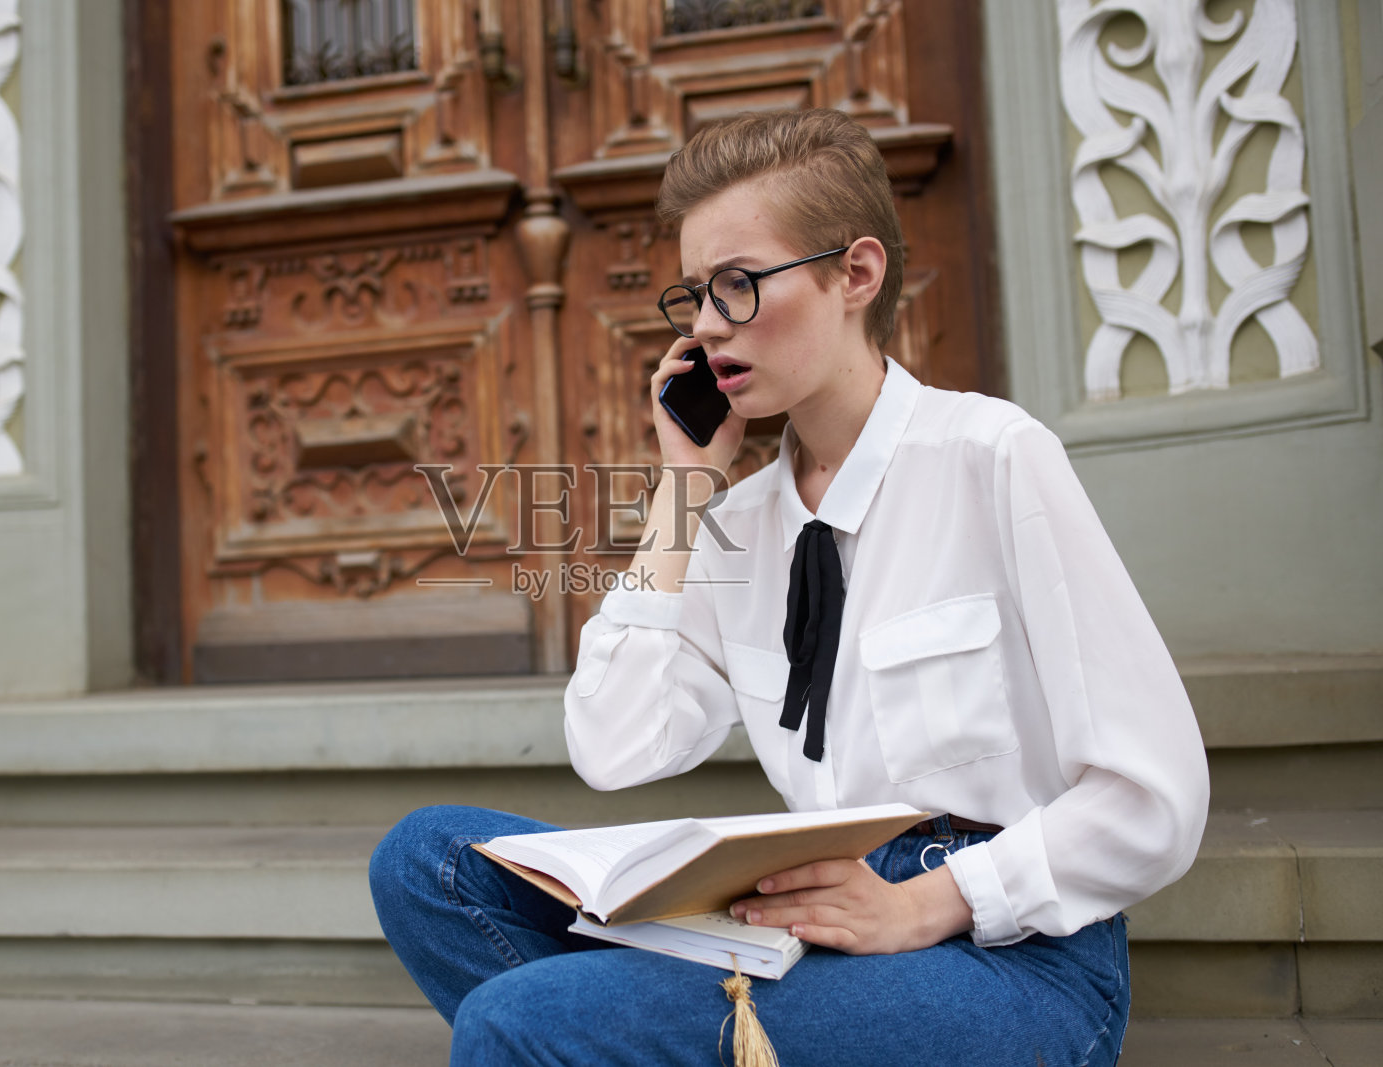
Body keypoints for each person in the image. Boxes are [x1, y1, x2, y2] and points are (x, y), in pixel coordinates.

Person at [370, 108, 1209, 1066]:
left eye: (739, 286)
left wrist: (920, 904)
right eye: (693, 295)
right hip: (802, 914)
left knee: (518, 1021)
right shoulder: (742, 519)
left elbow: (1157, 795)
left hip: (1008, 957)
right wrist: (685, 488)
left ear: (855, 274)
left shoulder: (992, 457)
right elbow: (616, 745)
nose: (706, 327)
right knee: (427, 861)